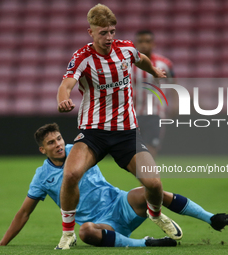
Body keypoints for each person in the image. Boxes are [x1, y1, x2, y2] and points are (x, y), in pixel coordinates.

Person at [0, 123, 228, 249]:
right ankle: (147, 243)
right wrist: (2, 243)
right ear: (43, 149)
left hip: (122, 203)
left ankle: (211, 218)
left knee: (151, 189)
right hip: (103, 224)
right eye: (51, 143)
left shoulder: (81, 149)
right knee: (85, 232)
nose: (59, 144)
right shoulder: (41, 177)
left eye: (59, 138)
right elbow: (24, 212)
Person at [56, 3, 178, 249]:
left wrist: (153, 70)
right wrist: (63, 99)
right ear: (91, 32)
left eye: (112, 31)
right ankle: (68, 233)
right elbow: (66, 84)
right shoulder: (82, 57)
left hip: (126, 132)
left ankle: (155, 214)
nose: (109, 37)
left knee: (153, 183)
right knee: (70, 175)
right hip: (94, 132)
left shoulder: (125, 50)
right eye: (103, 32)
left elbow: (140, 59)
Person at [133, 30, 177, 158]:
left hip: (156, 113)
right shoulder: (128, 64)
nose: (144, 45)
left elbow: (173, 83)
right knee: (135, 148)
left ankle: (148, 175)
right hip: (133, 113)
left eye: (147, 41)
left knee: (152, 148)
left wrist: (175, 103)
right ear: (136, 44)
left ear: (153, 44)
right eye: (141, 42)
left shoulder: (164, 63)